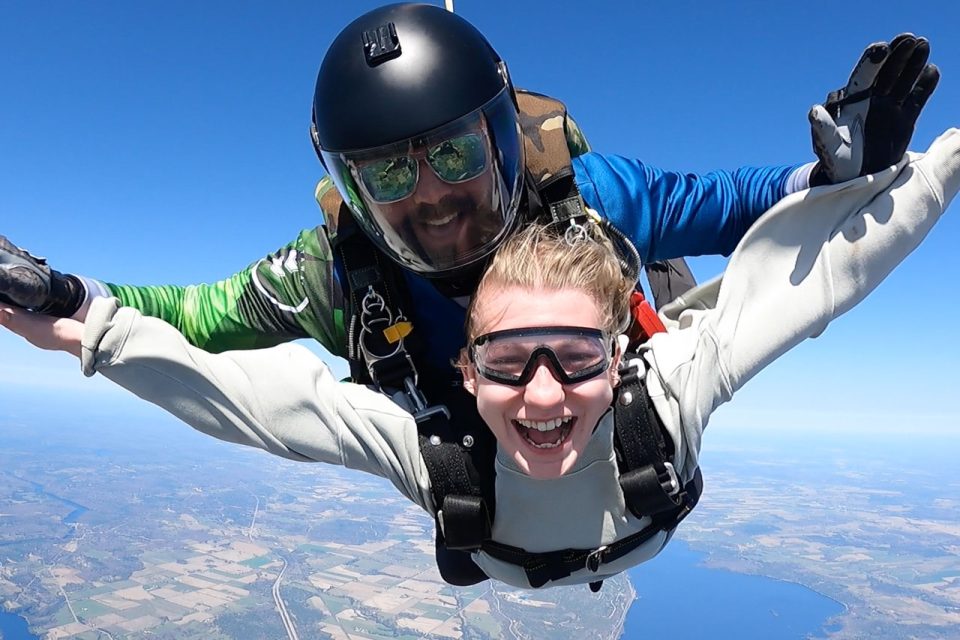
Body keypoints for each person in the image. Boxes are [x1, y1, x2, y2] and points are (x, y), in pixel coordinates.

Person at [4, 127, 958, 590]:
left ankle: (631, 294)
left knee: (696, 310)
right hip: (514, 505)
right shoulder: (344, 284)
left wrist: (855, 175)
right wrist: (84, 313)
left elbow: (801, 267)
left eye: (577, 359)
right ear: (465, 372)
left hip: (593, 413)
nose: (543, 394)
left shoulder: (613, 247)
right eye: (504, 364)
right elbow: (238, 379)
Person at [0, 3, 940, 399]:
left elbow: (726, 203)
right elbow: (197, 315)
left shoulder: (592, 196)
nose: (438, 195)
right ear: (354, 190)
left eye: (453, 151)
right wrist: (69, 297)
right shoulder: (338, 273)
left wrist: (827, 177)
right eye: (392, 174)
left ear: (499, 139)